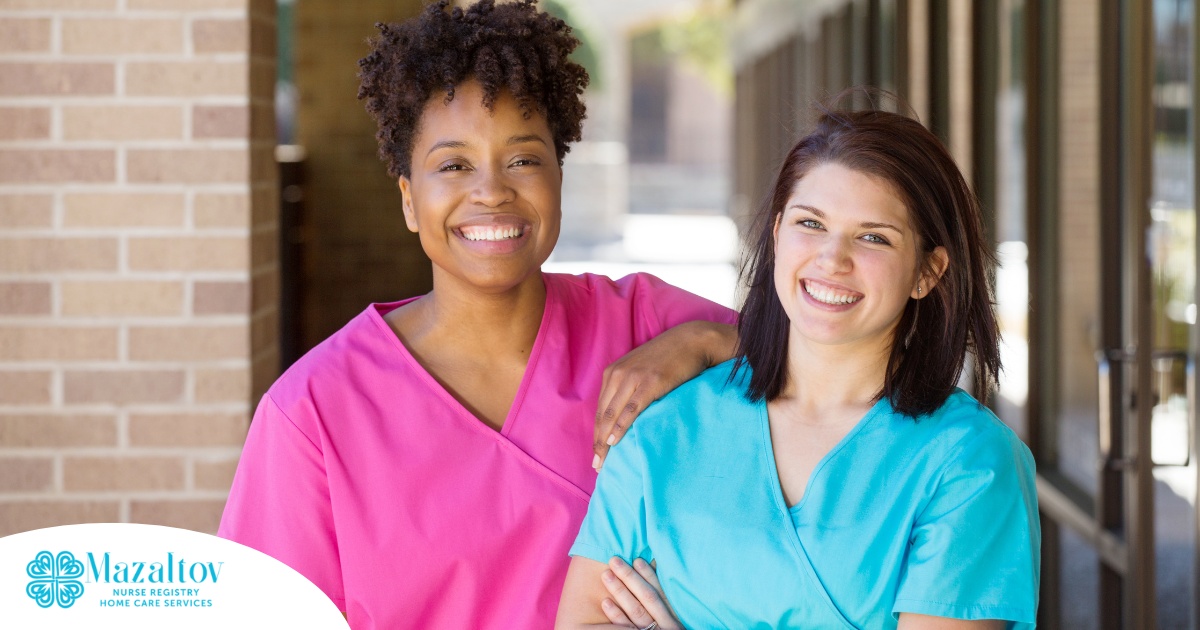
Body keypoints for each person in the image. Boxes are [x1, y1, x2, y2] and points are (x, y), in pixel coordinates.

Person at [217, 2, 736, 629]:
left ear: (558, 178)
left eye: (522, 159)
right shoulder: (315, 413)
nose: (492, 190)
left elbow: (844, 365)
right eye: (453, 165)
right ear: (409, 200)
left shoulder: (645, 326)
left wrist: (706, 342)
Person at [557, 104, 1040, 630]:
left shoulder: (969, 462)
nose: (832, 259)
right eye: (811, 224)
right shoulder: (663, 429)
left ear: (927, 271)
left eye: (873, 236)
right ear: (778, 232)